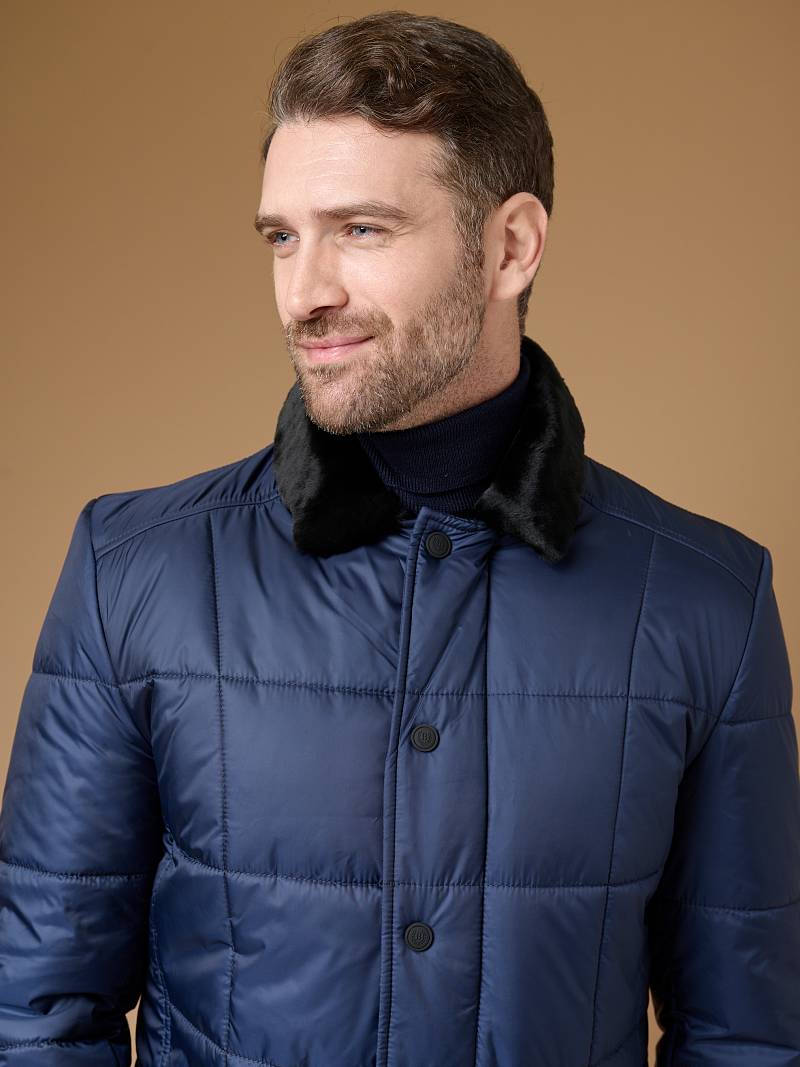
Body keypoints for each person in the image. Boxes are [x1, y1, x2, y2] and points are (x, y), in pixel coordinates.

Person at [1, 10, 798, 1066]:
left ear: (509, 246)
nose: (304, 292)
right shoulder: (133, 572)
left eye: (362, 230)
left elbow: (748, 1036)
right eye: (282, 236)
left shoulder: (706, 600)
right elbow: (37, 1018)